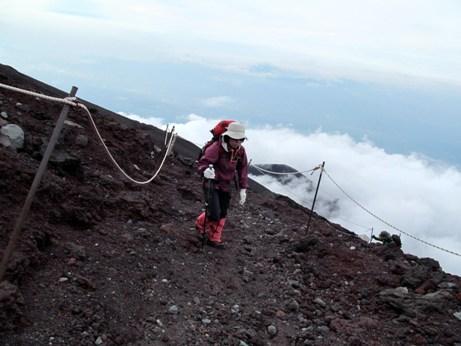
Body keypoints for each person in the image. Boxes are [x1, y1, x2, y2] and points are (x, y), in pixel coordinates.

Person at [195, 122, 249, 248]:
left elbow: (243, 168)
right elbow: (203, 163)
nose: (237, 142)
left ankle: (214, 238)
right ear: (228, 137)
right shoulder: (216, 148)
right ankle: (200, 223)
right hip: (211, 183)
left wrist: (243, 188)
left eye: (240, 140)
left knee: (223, 212)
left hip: (226, 184)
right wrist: (205, 171)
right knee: (214, 213)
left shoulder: (240, 151)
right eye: (234, 139)